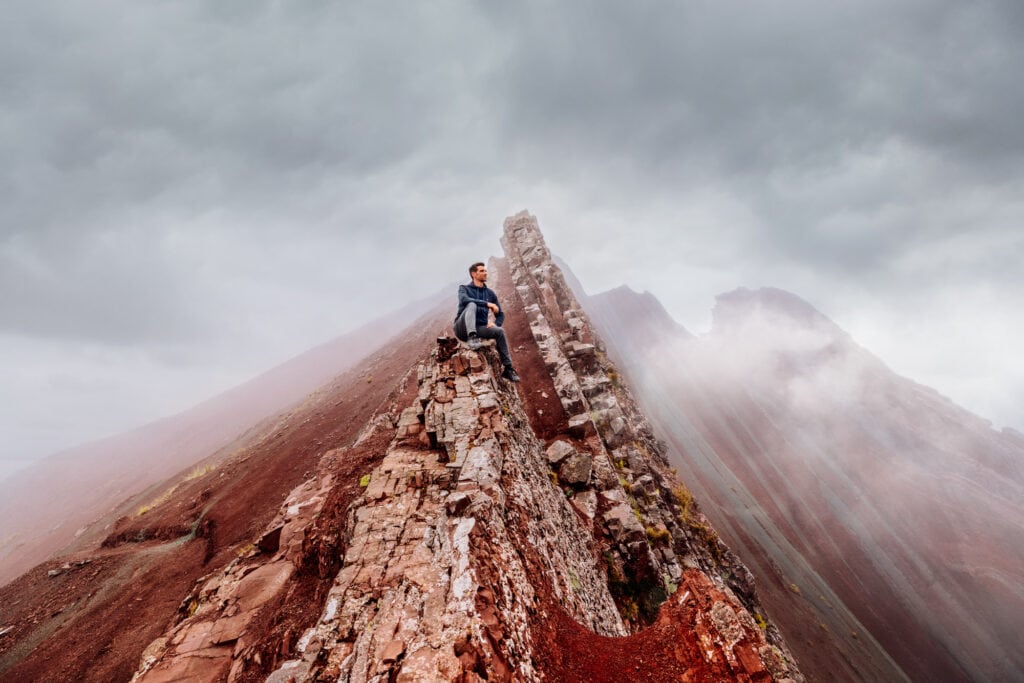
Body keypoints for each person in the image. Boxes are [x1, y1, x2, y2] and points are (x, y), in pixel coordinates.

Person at [453, 262, 521, 382]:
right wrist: (486, 304)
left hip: (479, 327)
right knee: (471, 304)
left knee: (499, 332)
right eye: (482, 271)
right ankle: (472, 338)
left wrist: (496, 323)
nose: (485, 273)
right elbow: (464, 300)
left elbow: (500, 313)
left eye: (485, 271)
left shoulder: (490, 293)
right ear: (473, 274)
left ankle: (508, 369)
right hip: (461, 328)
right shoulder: (464, 289)